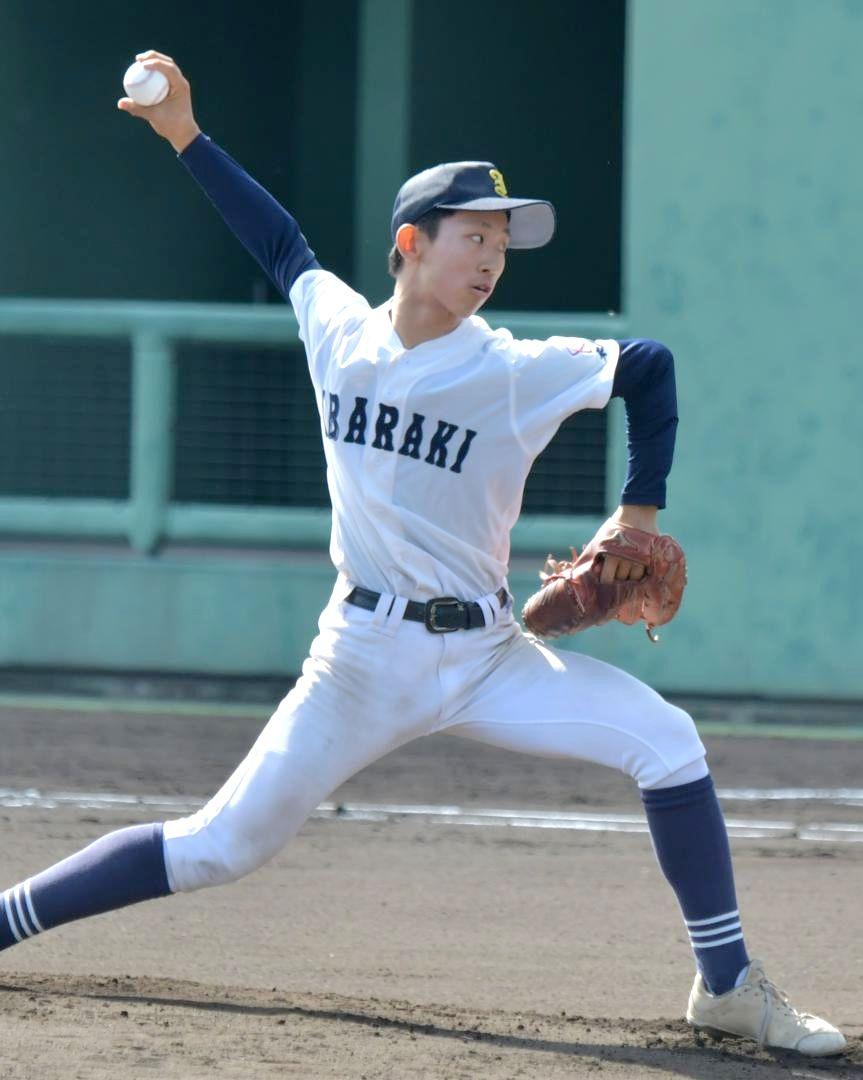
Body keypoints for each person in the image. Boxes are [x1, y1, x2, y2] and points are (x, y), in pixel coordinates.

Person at [0, 51, 846, 1058]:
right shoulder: (339, 334)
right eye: (473, 236)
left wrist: (634, 512)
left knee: (665, 740)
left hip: (488, 658)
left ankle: (725, 987)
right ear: (410, 243)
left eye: (503, 242)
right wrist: (184, 132)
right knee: (219, 847)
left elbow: (649, 371)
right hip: (357, 661)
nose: (492, 257)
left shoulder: (509, 368)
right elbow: (278, 242)